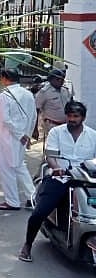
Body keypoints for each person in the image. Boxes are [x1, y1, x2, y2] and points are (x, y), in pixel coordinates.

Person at [19, 101, 96, 262]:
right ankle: (27, 245)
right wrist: (56, 168)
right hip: (61, 177)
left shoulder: (92, 135)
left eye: (76, 116)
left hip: (85, 179)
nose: (72, 119)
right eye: (69, 116)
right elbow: (51, 157)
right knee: (40, 212)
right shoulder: (56, 132)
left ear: (83, 117)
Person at [0, 68, 37, 210]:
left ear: (5, 78)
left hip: (7, 138)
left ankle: (12, 201)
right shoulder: (28, 94)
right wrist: (27, 135)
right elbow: (33, 116)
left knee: (7, 169)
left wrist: (20, 134)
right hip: (21, 138)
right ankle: (32, 196)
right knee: (19, 166)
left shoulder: (6, 95)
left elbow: (5, 119)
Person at [34, 69, 73, 140]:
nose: (61, 81)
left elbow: (71, 105)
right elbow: (36, 110)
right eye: (58, 79)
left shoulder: (65, 90)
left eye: (62, 79)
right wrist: (35, 129)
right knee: (54, 147)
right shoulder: (44, 92)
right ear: (51, 80)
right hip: (52, 125)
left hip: (66, 124)